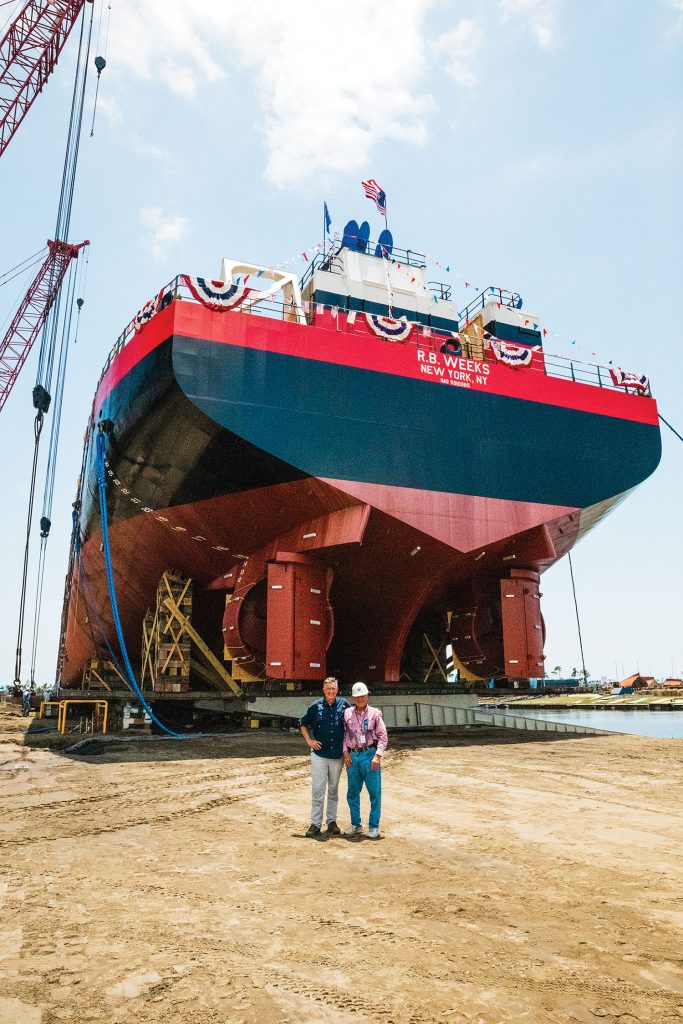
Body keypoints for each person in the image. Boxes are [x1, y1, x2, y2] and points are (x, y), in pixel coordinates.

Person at [298, 677, 351, 838]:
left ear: (337, 689)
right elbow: (302, 723)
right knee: (318, 790)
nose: (331, 691)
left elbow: (356, 718)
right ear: (323, 689)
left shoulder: (345, 705)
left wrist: (375, 712)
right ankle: (315, 823)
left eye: (333, 689)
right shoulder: (315, 706)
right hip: (320, 756)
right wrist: (309, 740)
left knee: (333, 791)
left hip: (337, 757)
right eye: (328, 689)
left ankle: (331, 822)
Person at [343, 682, 388, 840]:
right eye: (357, 696)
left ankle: (374, 827)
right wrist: (345, 754)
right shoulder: (347, 713)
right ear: (353, 698)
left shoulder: (375, 714)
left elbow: (383, 736)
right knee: (352, 793)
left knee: (374, 794)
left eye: (362, 696)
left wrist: (378, 756)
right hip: (353, 757)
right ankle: (356, 824)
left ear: (367, 696)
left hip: (370, 756)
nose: (360, 699)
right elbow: (344, 734)